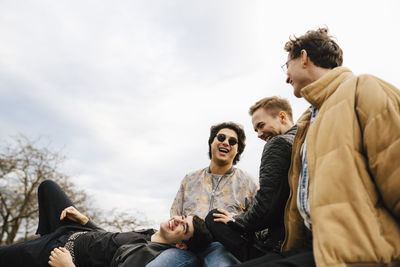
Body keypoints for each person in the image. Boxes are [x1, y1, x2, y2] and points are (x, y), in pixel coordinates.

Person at [235, 27, 400, 266]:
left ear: (303, 57)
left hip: (367, 252)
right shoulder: (307, 122)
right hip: (317, 249)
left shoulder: (365, 89)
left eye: (287, 66)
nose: (286, 77)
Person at [0, 179, 213, 267]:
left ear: (181, 245)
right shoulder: (150, 232)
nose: (177, 220)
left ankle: (36, 251)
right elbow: (110, 239)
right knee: (48, 187)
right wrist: (85, 220)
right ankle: (41, 241)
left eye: (183, 227)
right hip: (75, 229)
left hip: (62, 250)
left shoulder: (150, 255)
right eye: (182, 217)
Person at [148, 122, 258, 267]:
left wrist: (235, 221)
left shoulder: (248, 182)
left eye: (232, 141)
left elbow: (257, 218)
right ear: (212, 142)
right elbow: (175, 212)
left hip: (222, 247)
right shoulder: (190, 178)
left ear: (238, 150)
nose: (226, 143)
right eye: (221, 138)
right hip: (186, 246)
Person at [205, 97, 297, 262]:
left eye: (261, 126)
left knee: (213, 217)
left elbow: (266, 208)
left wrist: (235, 220)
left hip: (277, 244)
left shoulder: (278, 144)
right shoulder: (303, 138)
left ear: (283, 117)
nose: (260, 134)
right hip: (290, 231)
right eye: (256, 130)